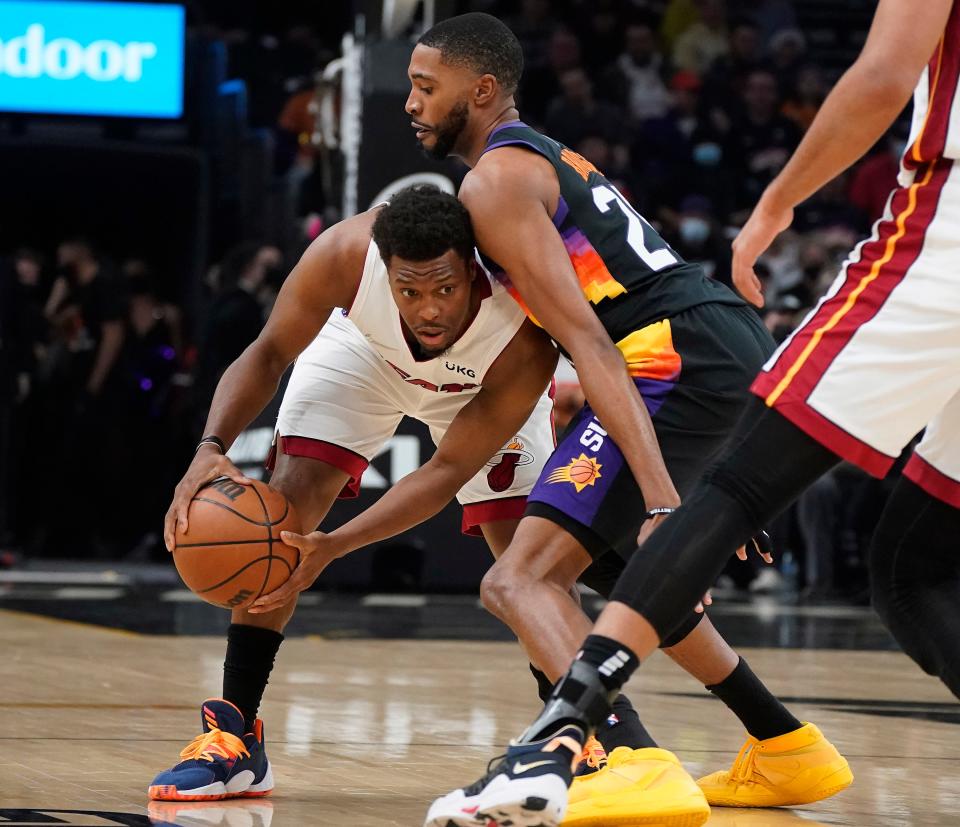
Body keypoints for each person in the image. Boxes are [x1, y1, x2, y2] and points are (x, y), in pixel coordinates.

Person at [439, 1, 960, 825]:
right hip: (707, 339)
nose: (410, 103)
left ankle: (624, 756)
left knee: (522, 576)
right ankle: (783, 744)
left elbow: (593, 340)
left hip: (672, 353)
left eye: (425, 86)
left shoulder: (491, 183)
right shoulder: (539, 160)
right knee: (626, 566)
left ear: (480, 89)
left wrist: (661, 494)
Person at [148, 186, 559, 801]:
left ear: (473, 271)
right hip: (366, 358)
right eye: (410, 291)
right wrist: (209, 446)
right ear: (383, 270)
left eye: (445, 289)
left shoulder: (522, 324)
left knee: (527, 559)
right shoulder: (344, 254)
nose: (428, 311)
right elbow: (268, 353)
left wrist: (336, 545)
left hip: (482, 385)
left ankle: (574, 734)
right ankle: (236, 740)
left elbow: (444, 473)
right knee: (281, 520)